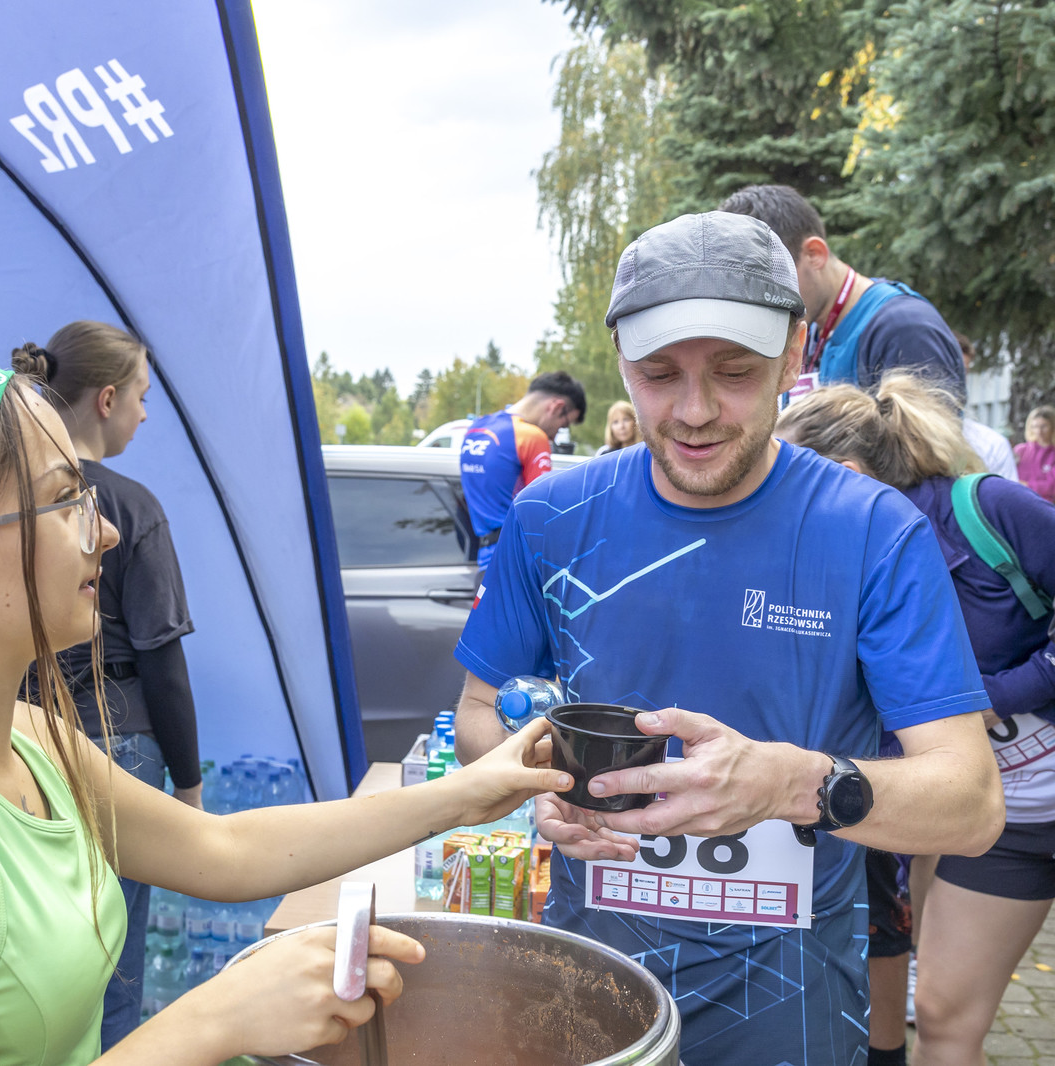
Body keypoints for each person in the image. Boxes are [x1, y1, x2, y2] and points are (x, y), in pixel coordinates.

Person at [0, 357, 572, 1066]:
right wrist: (214, 1019)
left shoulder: (28, 738)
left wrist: (470, 792)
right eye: (66, 499)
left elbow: (224, 851)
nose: (103, 530)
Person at [452, 211, 1003, 1066]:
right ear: (621, 361)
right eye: (658, 374)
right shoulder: (551, 517)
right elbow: (478, 714)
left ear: (792, 354)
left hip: (790, 1012)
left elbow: (971, 805)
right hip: (591, 997)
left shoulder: (872, 530)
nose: (696, 410)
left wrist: (792, 783)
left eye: (735, 372)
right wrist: (538, 781)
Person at [779, 373, 1055, 1066]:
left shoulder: (991, 510)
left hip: (1030, 785)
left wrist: (996, 693)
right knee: (941, 1015)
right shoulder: (843, 564)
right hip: (997, 818)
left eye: (782, 485)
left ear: (845, 477)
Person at [23, 321, 201, 1048]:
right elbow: (162, 662)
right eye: (142, 396)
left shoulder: (11, 497)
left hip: (22, 742)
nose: (145, 413)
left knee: (41, 963)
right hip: (117, 744)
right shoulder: (130, 507)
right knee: (115, 976)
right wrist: (188, 788)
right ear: (106, 399)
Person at [719, 183, 967, 401]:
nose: (761, 301)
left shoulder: (905, 329)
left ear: (814, 254)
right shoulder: (812, 328)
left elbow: (930, 439)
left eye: (770, 283)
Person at [459, 369, 585, 568]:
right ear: (556, 407)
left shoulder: (476, 428)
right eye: (563, 425)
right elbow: (543, 512)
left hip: (484, 559)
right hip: (516, 562)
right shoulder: (531, 437)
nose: (555, 436)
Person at [954, 331, 1020, 482]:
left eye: (964, 371)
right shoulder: (902, 442)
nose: (957, 379)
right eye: (952, 368)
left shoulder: (991, 445)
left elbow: (1005, 496)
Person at [1017, 405, 1055, 503]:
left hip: (1047, 505)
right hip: (1020, 502)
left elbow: (1052, 486)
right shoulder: (1020, 451)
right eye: (1035, 426)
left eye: (1044, 426)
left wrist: (1027, 485)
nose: (1039, 431)